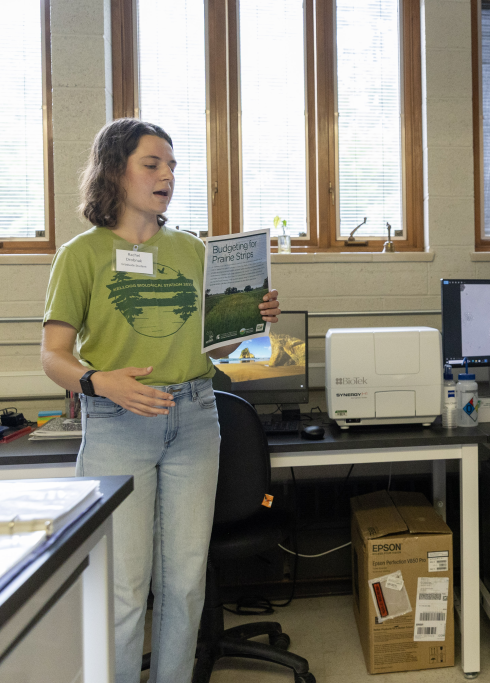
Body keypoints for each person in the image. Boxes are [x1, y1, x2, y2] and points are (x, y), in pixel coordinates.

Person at [40, 118, 281, 683]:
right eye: (152, 164)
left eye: (172, 165)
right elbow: (53, 357)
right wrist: (100, 382)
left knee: (185, 581)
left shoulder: (194, 251)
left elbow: (236, 356)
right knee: (124, 587)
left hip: (196, 418)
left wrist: (255, 322)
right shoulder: (81, 255)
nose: (166, 175)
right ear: (114, 171)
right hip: (117, 422)